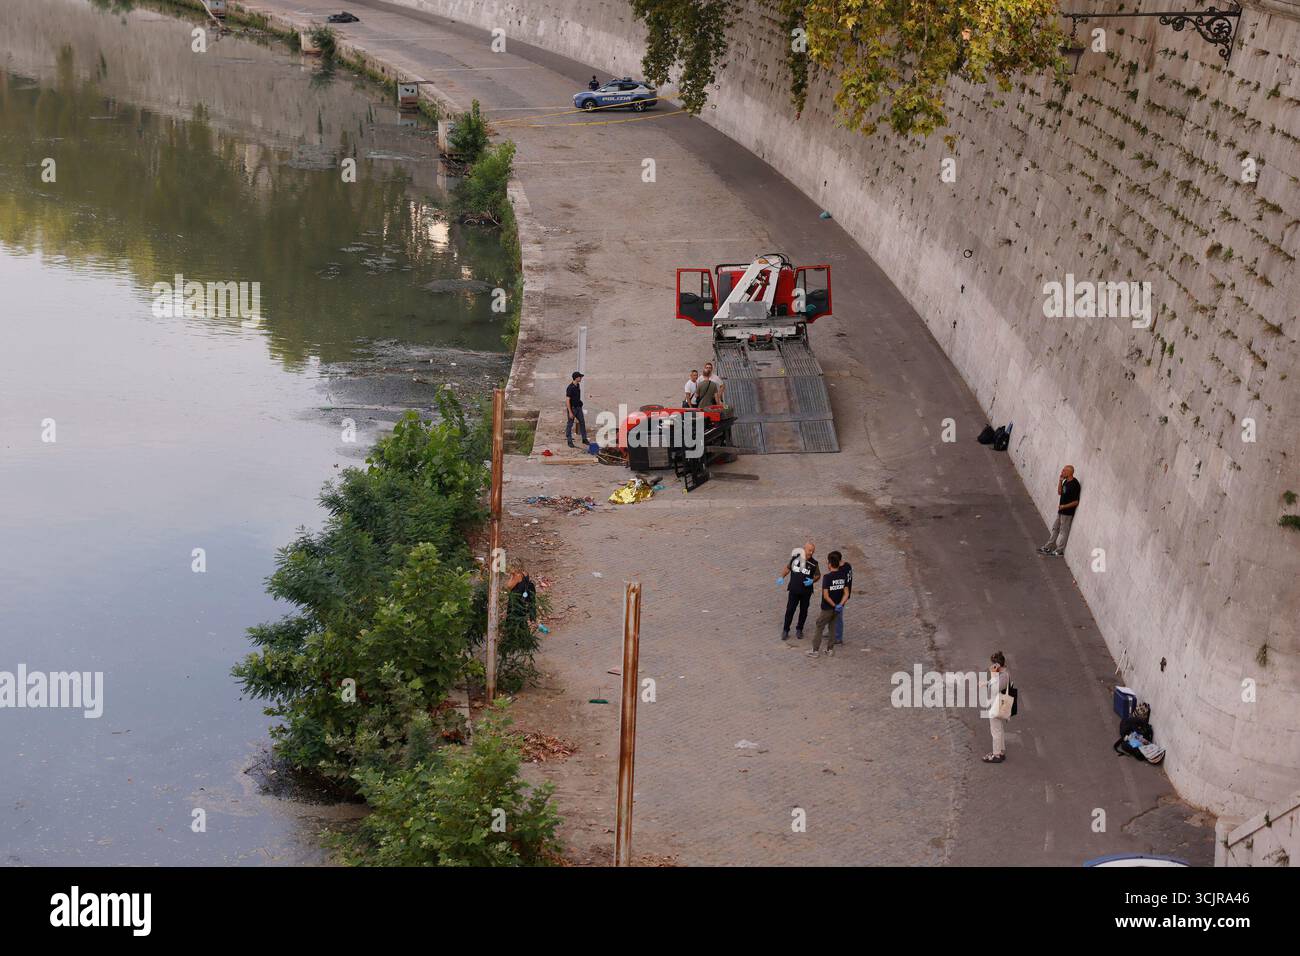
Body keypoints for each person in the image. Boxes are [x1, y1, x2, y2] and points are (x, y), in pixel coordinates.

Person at [808, 550, 849, 657]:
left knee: (819, 626)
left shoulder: (827, 577)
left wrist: (834, 605)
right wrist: (840, 604)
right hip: (837, 608)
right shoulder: (843, 575)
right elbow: (846, 593)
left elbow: (826, 596)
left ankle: (815, 650)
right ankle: (830, 649)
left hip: (827, 608)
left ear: (830, 564)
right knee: (832, 627)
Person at [778, 541, 820, 640]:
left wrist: (812, 580)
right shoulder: (795, 558)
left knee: (803, 611)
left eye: (812, 551)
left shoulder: (814, 564)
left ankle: (799, 629)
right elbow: (788, 568)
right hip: (794, 590)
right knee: (790, 610)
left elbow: (818, 575)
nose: (811, 553)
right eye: (809, 550)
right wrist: (781, 577)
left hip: (806, 592)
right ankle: (785, 630)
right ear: (804, 549)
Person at [1038, 464, 1081, 556]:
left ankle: (1059, 550)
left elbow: (1076, 502)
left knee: (1063, 531)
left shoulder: (1075, 485)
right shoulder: (1065, 481)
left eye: (1064, 471)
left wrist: (1064, 507)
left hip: (1067, 513)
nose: (1062, 472)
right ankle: (1048, 547)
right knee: (1055, 528)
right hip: (1061, 511)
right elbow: (1059, 492)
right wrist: (1060, 481)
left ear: (1069, 473)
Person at [983, 652, 1011, 764]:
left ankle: (996, 754)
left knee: (995, 730)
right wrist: (987, 682)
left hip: (997, 705)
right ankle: (1001, 751)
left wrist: (993, 675)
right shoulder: (1003, 673)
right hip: (999, 704)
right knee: (998, 729)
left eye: (993, 664)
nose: (991, 666)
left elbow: (995, 688)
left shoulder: (1003, 675)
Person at [565, 371, 588, 448]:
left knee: (582, 422)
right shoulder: (570, 388)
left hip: (578, 408)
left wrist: (580, 403)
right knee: (570, 424)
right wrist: (570, 412)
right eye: (580, 377)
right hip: (572, 409)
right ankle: (569, 441)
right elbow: (567, 401)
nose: (581, 378)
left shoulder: (578, 385)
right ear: (576, 378)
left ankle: (584, 439)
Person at [833, 554, 852, 645]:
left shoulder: (840, 571)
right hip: (845, 594)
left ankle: (838, 637)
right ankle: (832, 632)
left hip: (840, 596)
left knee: (838, 616)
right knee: (833, 615)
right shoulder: (847, 565)